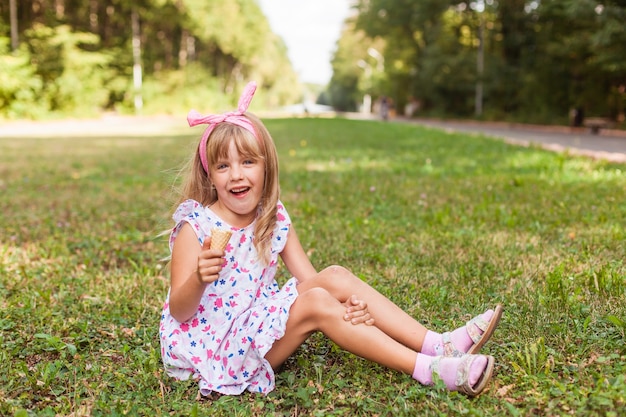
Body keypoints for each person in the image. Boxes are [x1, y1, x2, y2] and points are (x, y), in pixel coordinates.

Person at [159, 81, 503, 398]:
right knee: (316, 304)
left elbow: (313, 282)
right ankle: (429, 370)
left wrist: (348, 306)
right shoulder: (197, 227)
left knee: (335, 276)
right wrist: (199, 278)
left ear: (267, 167)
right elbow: (180, 310)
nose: (237, 174)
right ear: (210, 175)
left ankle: (438, 344)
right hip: (214, 348)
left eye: (248, 162)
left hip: (256, 323)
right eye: (223, 166)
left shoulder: (272, 217)